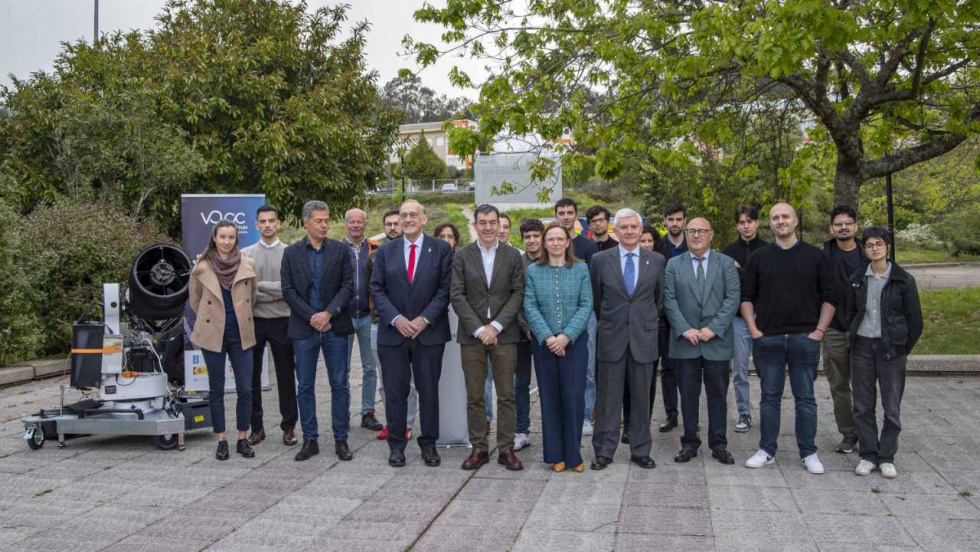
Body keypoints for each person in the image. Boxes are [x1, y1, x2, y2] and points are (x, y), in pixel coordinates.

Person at [741, 203, 837, 474]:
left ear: (795, 220)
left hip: (804, 338)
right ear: (769, 224)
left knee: (805, 398)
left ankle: (808, 452)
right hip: (768, 338)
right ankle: (767, 450)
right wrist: (754, 331)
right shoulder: (759, 258)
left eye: (785, 216)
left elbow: (830, 296)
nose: (780, 221)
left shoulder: (815, 256)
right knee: (769, 397)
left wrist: (818, 332)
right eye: (775, 218)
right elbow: (746, 297)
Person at [371, 199, 453, 468]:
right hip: (393, 335)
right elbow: (378, 289)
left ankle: (429, 444)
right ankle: (397, 445)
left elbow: (445, 289)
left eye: (412, 215)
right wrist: (396, 319)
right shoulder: (385, 251)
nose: (407, 219)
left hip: (428, 334)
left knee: (429, 391)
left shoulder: (440, 249)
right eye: (403, 215)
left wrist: (424, 319)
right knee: (395, 392)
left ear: (424, 219)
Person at [451, 204, 526, 471]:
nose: (487, 227)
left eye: (492, 222)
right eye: (482, 222)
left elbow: (518, 293)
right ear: (475, 225)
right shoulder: (461, 256)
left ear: (499, 224)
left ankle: (506, 449)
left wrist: (495, 326)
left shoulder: (513, 256)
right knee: (475, 396)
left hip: (504, 336)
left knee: (506, 395)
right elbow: (456, 295)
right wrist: (480, 329)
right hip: (472, 337)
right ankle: (479, 448)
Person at [589, 208, 665, 471]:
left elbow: (659, 300)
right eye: (624, 227)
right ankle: (604, 451)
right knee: (608, 398)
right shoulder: (600, 260)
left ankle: (641, 450)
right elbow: (597, 301)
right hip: (612, 338)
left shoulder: (656, 261)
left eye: (634, 227)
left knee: (642, 399)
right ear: (615, 230)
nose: (630, 231)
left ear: (641, 229)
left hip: (644, 340)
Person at [281, 200, 355, 462]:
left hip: (335, 326)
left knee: (339, 384)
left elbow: (348, 286)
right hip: (304, 328)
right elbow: (287, 291)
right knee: (305, 386)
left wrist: (328, 313)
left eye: (327, 220)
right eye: (319, 221)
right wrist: (312, 316)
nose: (325, 224)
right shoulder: (291, 254)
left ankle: (340, 439)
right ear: (306, 223)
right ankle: (309, 438)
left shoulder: (340, 250)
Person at [664, 217, 740, 465]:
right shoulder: (674, 265)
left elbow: (732, 298)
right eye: (691, 231)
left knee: (718, 396)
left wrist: (713, 328)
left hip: (716, 341)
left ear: (711, 234)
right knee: (687, 395)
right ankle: (689, 443)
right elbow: (670, 299)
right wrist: (685, 329)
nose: (696, 235)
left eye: (701, 231)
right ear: (686, 234)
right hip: (686, 342)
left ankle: (719, 444)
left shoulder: (726, 263)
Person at [847, 228, 922, 479]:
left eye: (879, 244)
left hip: (892, 351)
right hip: (863, 349)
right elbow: (850, 312)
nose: (875, 249)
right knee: (862, 405)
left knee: (891, 406)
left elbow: (915, 321)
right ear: (865, 249)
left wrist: (900, 348)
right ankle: (868, 454)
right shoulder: (858, 279)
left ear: (887, 247)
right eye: (869, 245)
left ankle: (887, 455)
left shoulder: (903, 280)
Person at [523, 222, 593, 472]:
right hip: (544, 345)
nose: (554, 243)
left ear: (567, 242)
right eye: (549, 239)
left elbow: (586, 305)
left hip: (574, 344)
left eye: (559, 239)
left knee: (573, 397)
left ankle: (574, 455)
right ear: (544, 243)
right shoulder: (533, 271)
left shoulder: (581, 269)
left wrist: (566, 337)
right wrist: (549, 337)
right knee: (550, 398)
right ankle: (556, 455)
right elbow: (529, 306)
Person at [189, 220, 258, 460]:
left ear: (236, 239)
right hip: (213, 334)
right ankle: (221, 440)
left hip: (241, 334)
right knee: (216, 389)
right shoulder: (202, 267)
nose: (227, 241)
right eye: (222, 237)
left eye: (231, 237)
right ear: (214, 238)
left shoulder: (247, 264)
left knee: (245, 389)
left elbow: (253, 297)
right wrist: (213, 319)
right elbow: (195, 301)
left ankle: (242, 438)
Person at [242, 205, 298, 447]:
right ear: (256, 225)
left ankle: (289, 427)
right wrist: (273, 290)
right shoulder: (246, 254)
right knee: (252, 377)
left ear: (278, 223)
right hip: (254, 321)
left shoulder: (290, 253)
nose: (267, 225)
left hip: (283, 321)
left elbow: (288, 289)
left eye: (271, 221)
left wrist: (262, 287)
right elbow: (247, 290)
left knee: (286, 377)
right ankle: (257, 428)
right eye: (262, 221)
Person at [370, 209, 418, 441]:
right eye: (388, 224)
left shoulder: (417, 253)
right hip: (382, 325)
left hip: (412, 326)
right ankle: (392, 422)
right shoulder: (377, 255)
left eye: (395, 223)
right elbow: (375, 289)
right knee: (386, 380)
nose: (392, 227)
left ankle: (407, 422)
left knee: (408, 381)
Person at [822, 205, 866, 454]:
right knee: (839, 386)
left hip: (864, 330)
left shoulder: (868, 254)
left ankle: (867, 433)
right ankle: (848, 434)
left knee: (863, 385)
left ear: (855, 226)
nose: (843, 227)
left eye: (848, 223)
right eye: (838, 223)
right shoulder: (824, 255)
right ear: (831, 228)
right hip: (834, 329)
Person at [721, 205, 768, 433]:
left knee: (768, 369)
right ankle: (744, 413)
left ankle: (769, 411)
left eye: (750, 221)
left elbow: (769, 282)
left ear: (757, 223)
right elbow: (725, 284)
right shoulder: (728, 252)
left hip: (765, 318)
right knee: (739, 370)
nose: (746, 226)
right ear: (737, 224)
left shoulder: (769, 249)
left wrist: (742, 271)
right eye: (741, 222)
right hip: (738, 320)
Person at [554, 198, 599, 437]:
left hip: (584, 314)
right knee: (559, 369)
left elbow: (591, 284)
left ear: (576, 216)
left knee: (587, 369)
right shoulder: (550, 244)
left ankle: (585, 415)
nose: (565, 216)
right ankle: (562, 415)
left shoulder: (588, 246)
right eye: (561, 212)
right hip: (557, 315)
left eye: (570, 212)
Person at [623, 223, 667, 443]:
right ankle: (628, 425)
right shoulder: (615, 262)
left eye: (650, 241)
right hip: (622, 331)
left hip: (651, 329)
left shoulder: (658, 263)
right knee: (624, 382)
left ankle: (643, 425)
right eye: (643, 241)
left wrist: (646, 317)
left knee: (646, 381)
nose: (647, 244)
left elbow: (660, 298)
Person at [342, 208, 384, 434]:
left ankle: (368, 412)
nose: (356, 225)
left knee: (370, 367)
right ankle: (343, 413)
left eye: (360, 222)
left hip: (369, 316)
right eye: (352, 222)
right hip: (345, 316)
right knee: (343, 369)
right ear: (346, 224)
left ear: (366, 224)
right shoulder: (337, 249)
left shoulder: (376, 249)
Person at [514, 218, 544, 451]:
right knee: (520, 383)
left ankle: (553, 429)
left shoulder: (552, 261)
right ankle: (522, 430)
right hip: (522, 334)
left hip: (549, 336)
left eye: (536, 236)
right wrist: (527, 328)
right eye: (528, 237)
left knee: (548, 384)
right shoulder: (517, 263)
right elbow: (515, 300)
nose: (532, 240)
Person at [658, 202, 688, 433]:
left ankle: (690, 414)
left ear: (684, 221)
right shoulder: (657, 247)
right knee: (667, 368)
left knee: (688, 368)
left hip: (689, 316)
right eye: (671, 219)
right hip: (662, 317)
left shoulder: (694, 245)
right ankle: (671, 414)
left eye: (679, 219)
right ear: (665, 221)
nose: (675, 223)